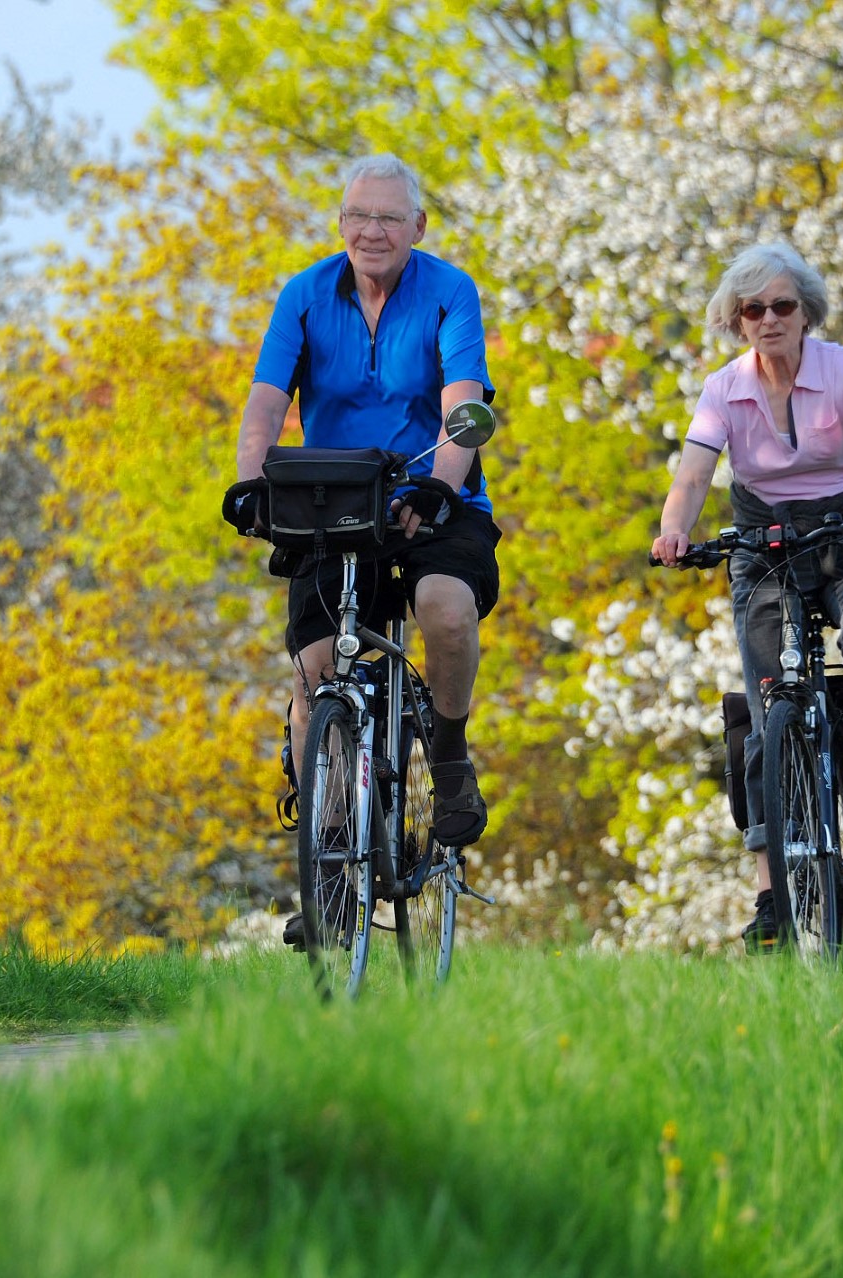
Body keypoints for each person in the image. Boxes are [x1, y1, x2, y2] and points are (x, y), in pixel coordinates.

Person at [222, 154, 501, 947]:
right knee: (316, 674)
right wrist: (252, 486)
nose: (371, 232)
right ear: (340, 223)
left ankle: (446, 753)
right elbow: (266, 405)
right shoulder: (305, 296)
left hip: (429, 495)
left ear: (418, 226)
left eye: (387, 218)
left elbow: (463, 406)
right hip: (330, 504)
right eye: (357, 217)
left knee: (444, 610)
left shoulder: (449, 291)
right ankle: (328, 867)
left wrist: (441, 488)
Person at [651, 242, 843, 952]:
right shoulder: (724, 389)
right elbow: (695, 471)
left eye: (782, 306)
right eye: (752, 309)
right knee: (767, 708)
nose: (768, 320)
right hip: (764, 547)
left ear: (806, 313)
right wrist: (674, 530)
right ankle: (772, 895)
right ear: (736, 320)